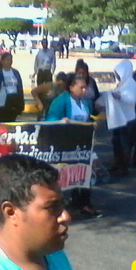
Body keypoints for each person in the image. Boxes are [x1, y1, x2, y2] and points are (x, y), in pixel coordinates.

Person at [45, 74, 100, 217]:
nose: (84, 90)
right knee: (67, 173)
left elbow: (87, 118)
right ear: (71, 87)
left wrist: (92, 124)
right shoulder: (61, 100)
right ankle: (64, 203)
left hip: (83, 145)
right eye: (81, 87)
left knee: (85, 171)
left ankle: (84, 203)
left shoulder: (86, 102)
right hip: (65, 144)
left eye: (85, 87)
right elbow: (49, 118)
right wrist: (61, 120)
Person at [105, 60, 136, 176]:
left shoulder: (131, 84)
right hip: (119, 118)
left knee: (125, 144)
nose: (117, 76)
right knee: (116, 142)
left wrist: (119, 96)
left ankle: (124, 166)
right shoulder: (122, 84)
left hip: (127, 119)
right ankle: (117, 163)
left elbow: (131, 100)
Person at [0, 52, 24, 123]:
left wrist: (21, 104)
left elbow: (20, 88)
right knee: (2, 124)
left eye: (11, 60)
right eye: (7, 60)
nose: (9, 62)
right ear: (2, 61)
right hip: (1, 103)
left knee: (11, 123)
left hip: (13, 102)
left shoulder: (15, 72)